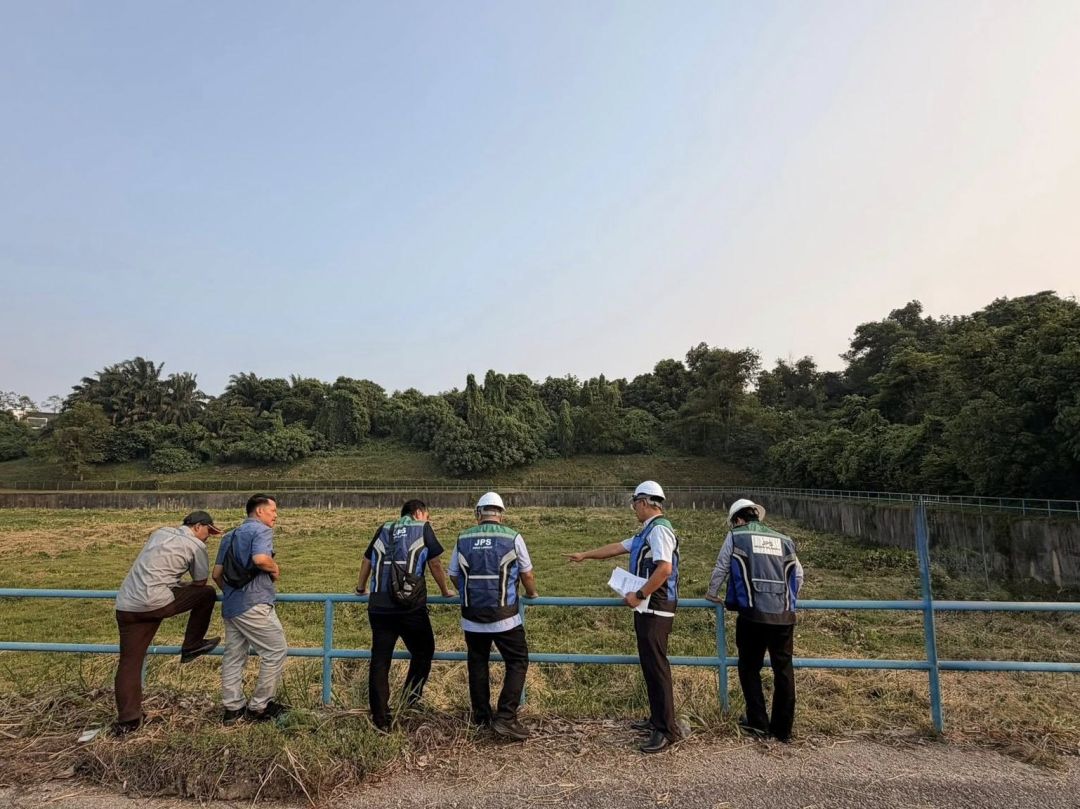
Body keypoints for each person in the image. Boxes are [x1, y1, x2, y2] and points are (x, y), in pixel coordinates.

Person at [567, 480, 682, 753]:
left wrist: (639, 594)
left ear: (644, 502)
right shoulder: (647, 531)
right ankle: (656, 720)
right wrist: (585, 555)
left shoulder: (660, 531)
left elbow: (664, 569)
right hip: (647, 607)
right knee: (650, 666)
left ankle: (666, 730)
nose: (633, 509)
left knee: (657, 668)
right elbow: (617, 547)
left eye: (634, 504)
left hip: (655, 606)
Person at [112, 511, 222, 735]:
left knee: (129, 662)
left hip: (126, 604)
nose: (208, 536)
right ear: (198, 526)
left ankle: (128, 720)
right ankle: (192, 643)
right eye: (208, 531)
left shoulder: (159, 532)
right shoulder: (196, 546)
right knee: (208, 594)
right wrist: (179, 584)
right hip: (155, 602)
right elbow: (200, 582)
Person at [705, 498, 803, 742]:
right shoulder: (783, 539)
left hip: (752, 614)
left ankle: (759, 724)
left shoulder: (737, 535)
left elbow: (721, 567)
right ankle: (783, 730)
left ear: (738, 519)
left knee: (749, 667)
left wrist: (712, 593)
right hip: (783, 615)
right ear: (757, 516)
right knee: (783, 670)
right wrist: (789, 600)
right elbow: (798, 574)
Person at [354, 499, 454, 730]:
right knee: (424, 651)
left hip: (378, 605)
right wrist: (445, 590)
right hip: (409, 606)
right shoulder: (422, 528)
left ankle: (381, 718)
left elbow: (367, 559)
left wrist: (361, 588)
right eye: (427, 515)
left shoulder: (384, 528)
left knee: (380, 660)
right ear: (418, 513)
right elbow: (435, 564)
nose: (428, 519)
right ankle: (409, 702)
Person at [448, 492, 538, 741]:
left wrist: (466, 591)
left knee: (478, 663)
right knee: (517, 660)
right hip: (506, 616)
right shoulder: (512, 536)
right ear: (501, 513)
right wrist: (531, 593)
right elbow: (527, 574)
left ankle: (481, 718)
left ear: (478, 514)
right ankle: (506, 717)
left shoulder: (463, 537)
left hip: (472, 615)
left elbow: (454, 574)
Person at [211, 494, 288, 724]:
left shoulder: (229, 536)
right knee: (276, 650)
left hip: (232, 606)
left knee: (234, 656)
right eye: (273, 510)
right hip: (255, 603)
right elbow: (261, 559)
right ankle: (260, 706)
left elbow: (216, 574)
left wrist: (233, 594)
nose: (275, 515)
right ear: (259, 512)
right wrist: (275, 569)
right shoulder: (261, 531)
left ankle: (232, 709)